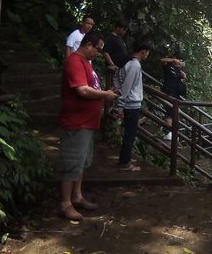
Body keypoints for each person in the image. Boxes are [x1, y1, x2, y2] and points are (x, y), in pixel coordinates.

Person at [58, 31, 119, 221]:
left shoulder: (85, 63)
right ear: (88, 45)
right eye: (98, 49)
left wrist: (107, 92)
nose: (99, 54)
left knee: (82, 162)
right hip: (76, 123)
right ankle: (65, 203)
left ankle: (77, 196)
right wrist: (105, 95)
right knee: (72, 162)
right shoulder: (74, 61)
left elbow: (91, 88)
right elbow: (82, 90)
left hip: (86, 122)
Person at [116, 42, 151, 171]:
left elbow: (118, 77)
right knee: (130, 134)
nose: (147, 55)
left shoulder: (130, 63)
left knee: (129, 133)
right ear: (142, 51)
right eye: (147, 52)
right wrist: (121, 105)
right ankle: (125, 163)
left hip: (130, 103)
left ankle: (126, 158)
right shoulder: (134, 66)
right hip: (131, 105)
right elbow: (127, 86)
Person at [160, 51, 187, 141]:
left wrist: (182, 75)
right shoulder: (168, 66)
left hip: (176, 94)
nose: (179, 62)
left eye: (181, 60)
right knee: (169, 113)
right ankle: (169, 133)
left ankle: (172, 133)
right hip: (168, 92)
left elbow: (183, 77)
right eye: (178, 59)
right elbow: (162, 60)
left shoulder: (179, 70)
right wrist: (173, 60)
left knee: (174, 113)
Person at [103, 20, 129, 88]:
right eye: (123, 29)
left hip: (120, 70)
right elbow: (105, 52)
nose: (124, 32)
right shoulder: (110, 38)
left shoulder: (119, 38)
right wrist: (112, 65)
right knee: (111, 89)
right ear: (118, 28)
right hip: (113, 70)